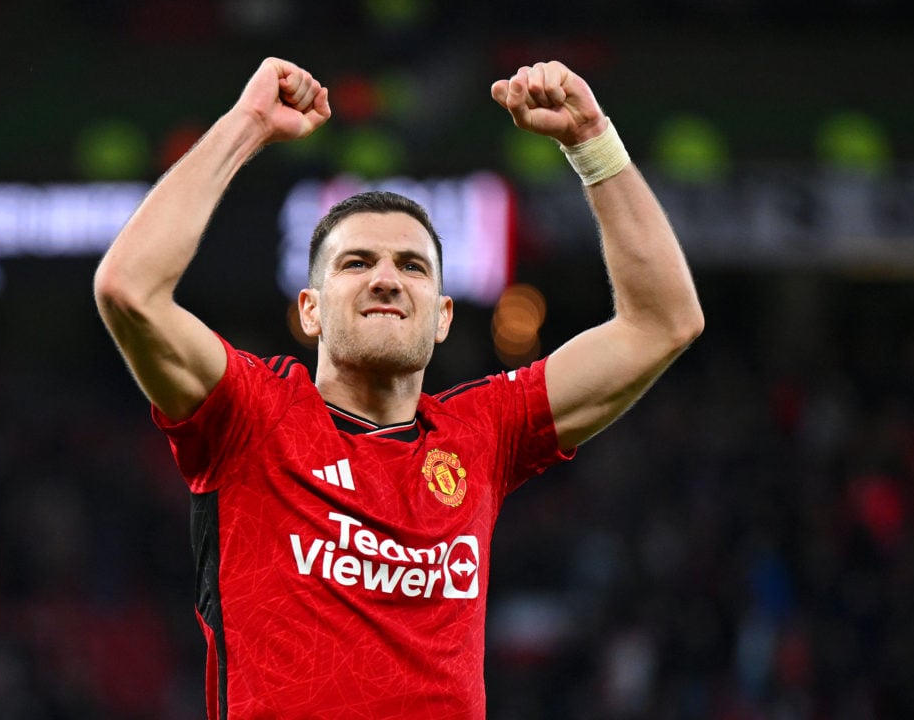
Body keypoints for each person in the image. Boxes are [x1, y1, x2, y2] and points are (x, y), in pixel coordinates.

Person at [94, 56, 703, 719]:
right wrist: (245, 126)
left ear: (442, 317)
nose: (386, 278)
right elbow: (130, 292)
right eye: (357, 263)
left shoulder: (483, 433)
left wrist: (590, 141)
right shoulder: (252, 415)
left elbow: (663, 321)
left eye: (412, 266)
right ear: (310, 310)